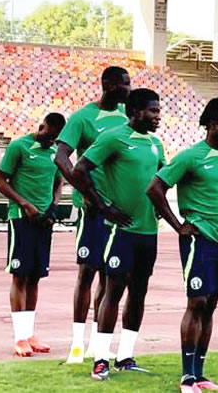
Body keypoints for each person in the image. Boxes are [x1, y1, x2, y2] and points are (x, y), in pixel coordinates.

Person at [147, 98, 218, 393]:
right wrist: (178, 225)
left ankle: (200, 374)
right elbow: (155, 188)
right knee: (197, 302)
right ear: (212, 125)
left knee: (211, 305)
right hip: (198, 240)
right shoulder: (191, 157)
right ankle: (187, 377)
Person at [71, 88, 165, 380]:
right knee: (113, 291)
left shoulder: (155, 144)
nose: (157, 116)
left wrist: (161, 208)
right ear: (134, 112)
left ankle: (126, 356)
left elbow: (161, 179)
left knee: (139, 292)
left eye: (158, 110)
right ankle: (100, 359)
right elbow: (80, 169)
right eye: (152, 110)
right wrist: (102, 206)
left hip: (148, 231)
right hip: (119, 231)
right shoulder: (113, 138)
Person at [54, 66, 131, 364]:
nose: (128, 88)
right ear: (109, 85)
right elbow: (61, 156)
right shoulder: (83, 117)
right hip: (92, 209)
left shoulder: (128, 116)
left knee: (111, 276)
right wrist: (84, 189)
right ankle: (76, 343)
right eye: (124, 83)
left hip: (119, 210)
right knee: (86, 272)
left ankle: (99, 344)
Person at [0, 112, 66, 356]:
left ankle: (30, 334)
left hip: (44, 221)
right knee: (20, 275)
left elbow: (59, 182)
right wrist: (25, 204)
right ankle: (19, 337)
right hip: (21, 219)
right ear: (41, 126)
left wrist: (54, 207)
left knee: (35, 276)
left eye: (55, 138)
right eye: (48, 135)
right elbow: (0, 181)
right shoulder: (19, 147)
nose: (50, 141)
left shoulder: (55, 151)